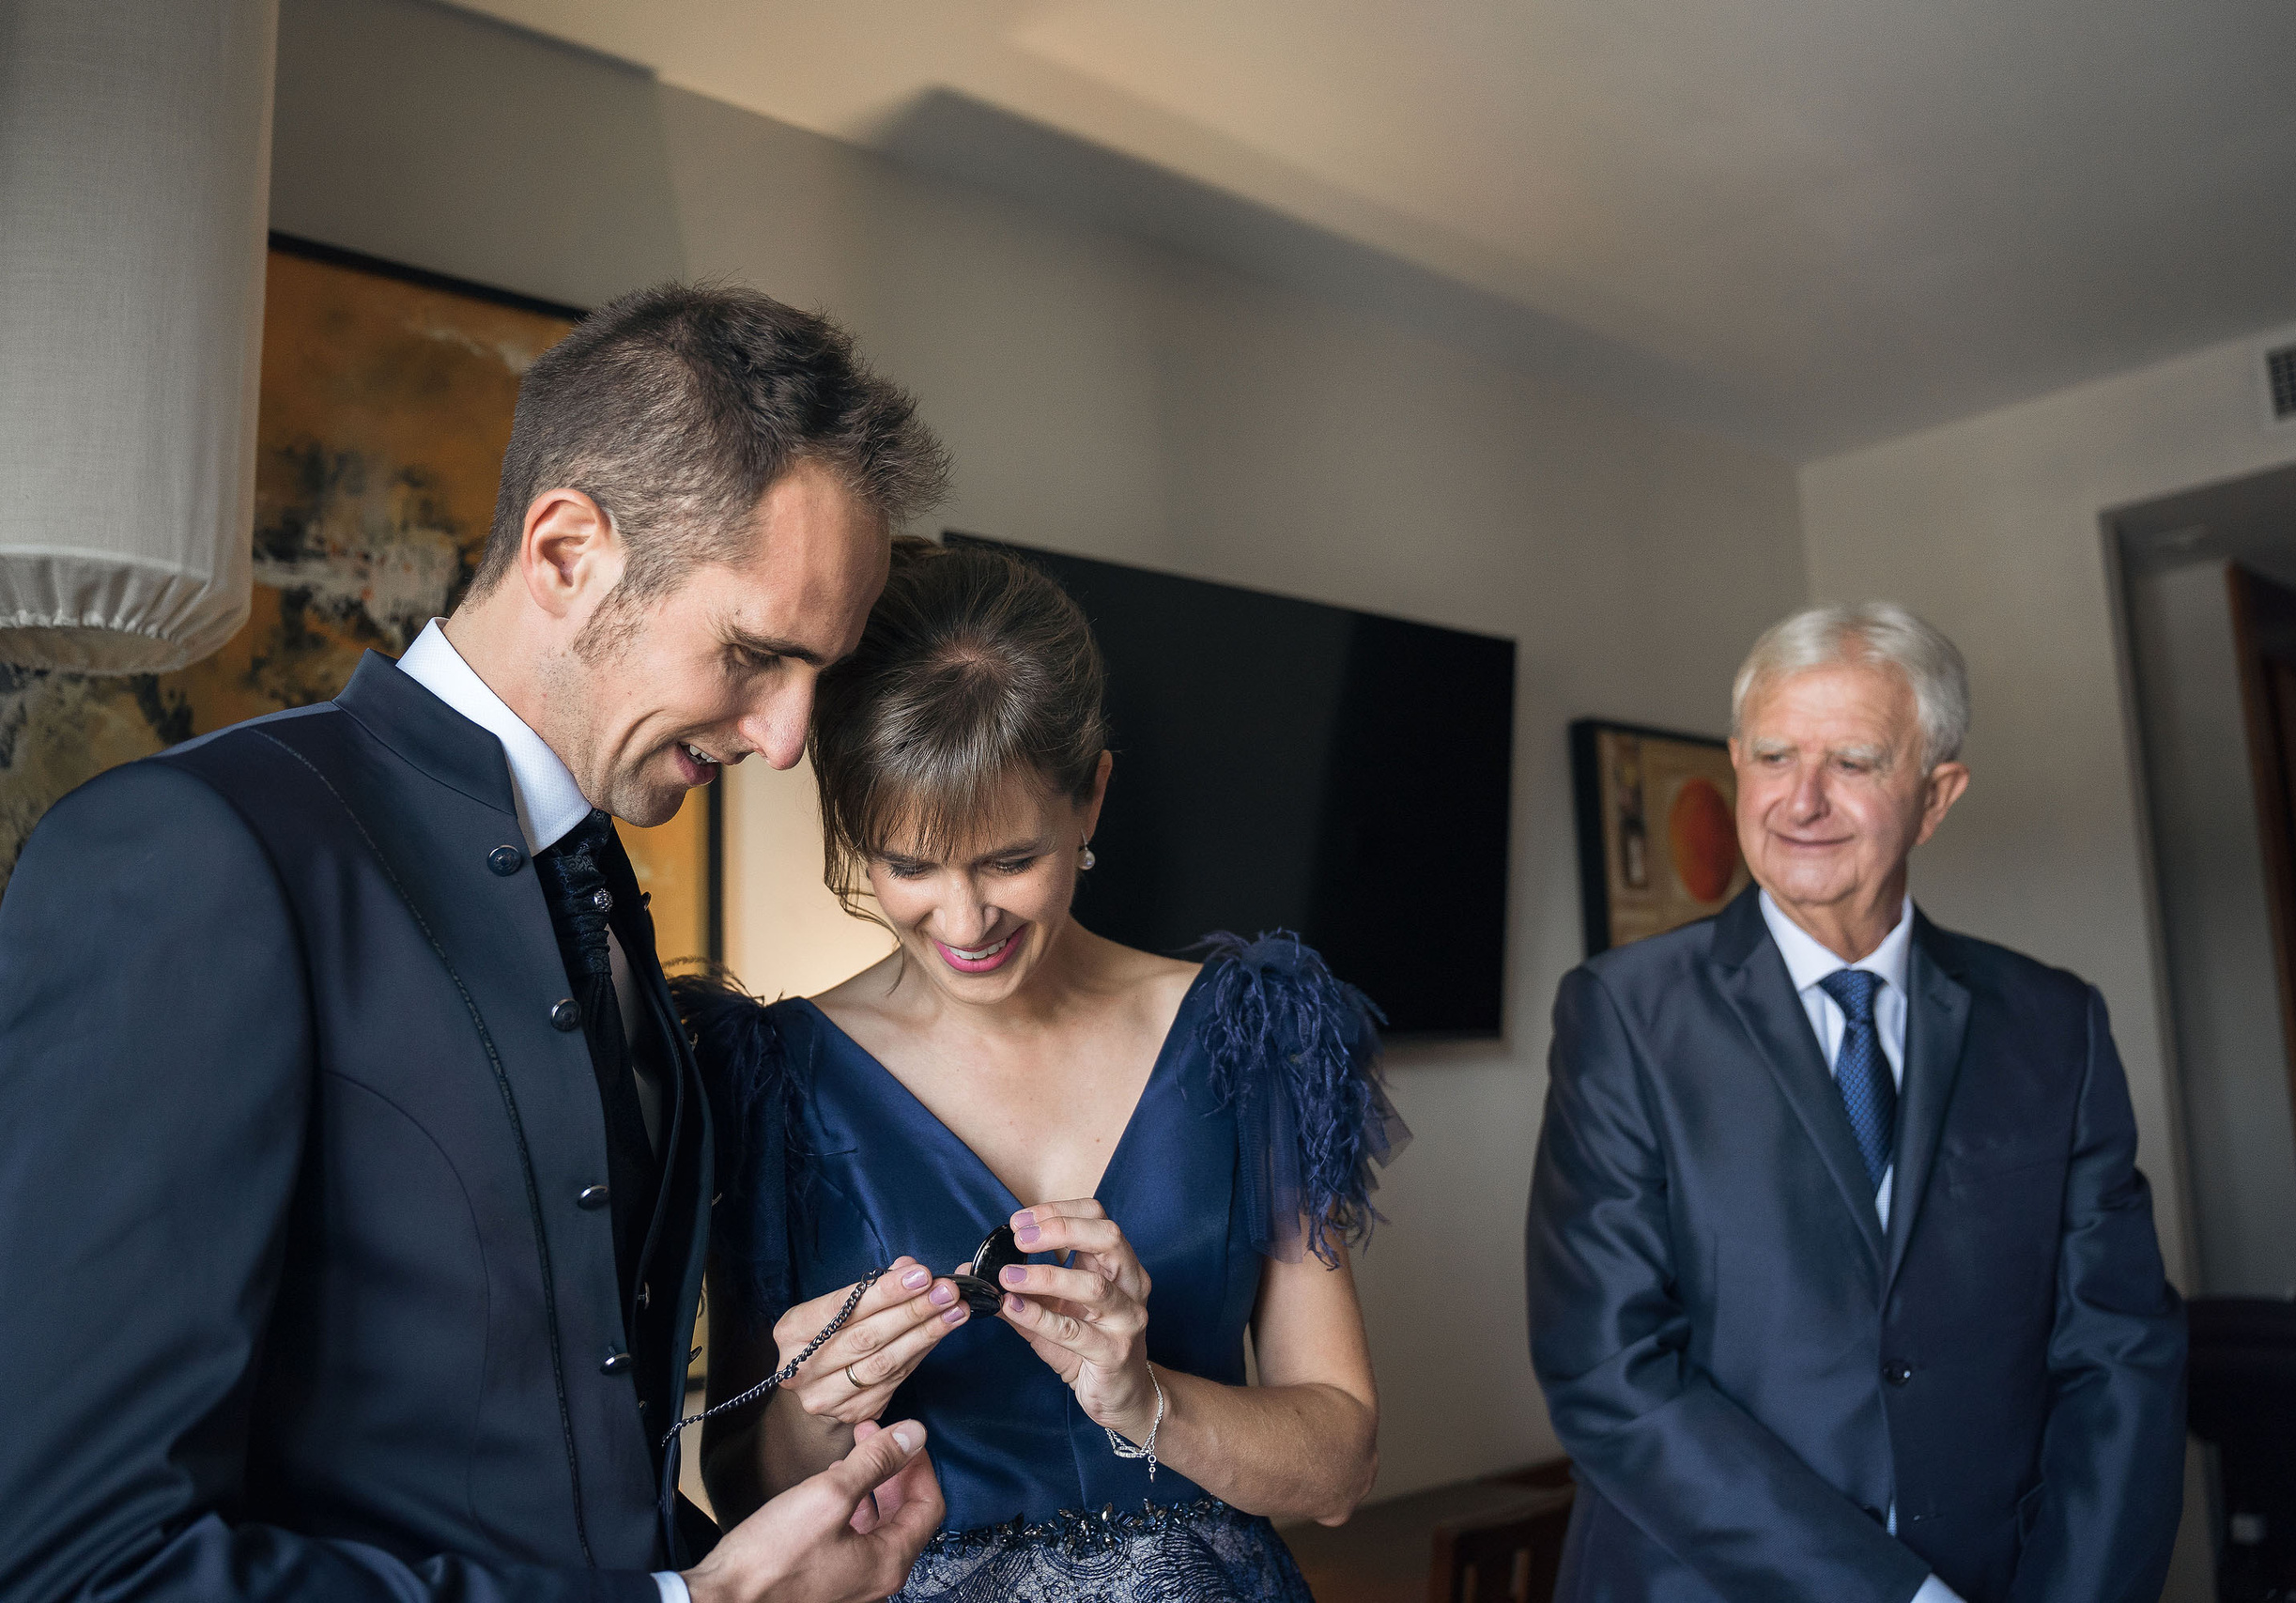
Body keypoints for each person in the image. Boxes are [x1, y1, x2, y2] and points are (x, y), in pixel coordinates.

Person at [0, 285, 955, 1603]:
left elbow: (556, 1472)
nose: (787, 739)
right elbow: (72, 1566)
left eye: (817, 677)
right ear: (566, 550)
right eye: (754, 653)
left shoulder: (601, 880)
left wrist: (747, 1552)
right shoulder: (190, 854)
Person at [676, 540, 1408, 1602]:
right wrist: (813, 1409)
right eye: (910, 866)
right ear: (850, 827)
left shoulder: (1253, 1038)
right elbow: (748, 1497)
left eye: (1010, 862)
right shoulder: (772, 1078)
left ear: (1091, 801)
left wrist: (1143, 1397)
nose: (965, 922)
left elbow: (1340, 1467)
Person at [1526, 603, 2186, 1603]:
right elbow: (1608, 1374)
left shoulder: (2053, 1024)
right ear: (1737, 765)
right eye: (1774, 755)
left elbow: (2120, 1354)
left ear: (1935, 795)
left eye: (1855, 762)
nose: (1803, 800)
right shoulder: (1622, 1017)